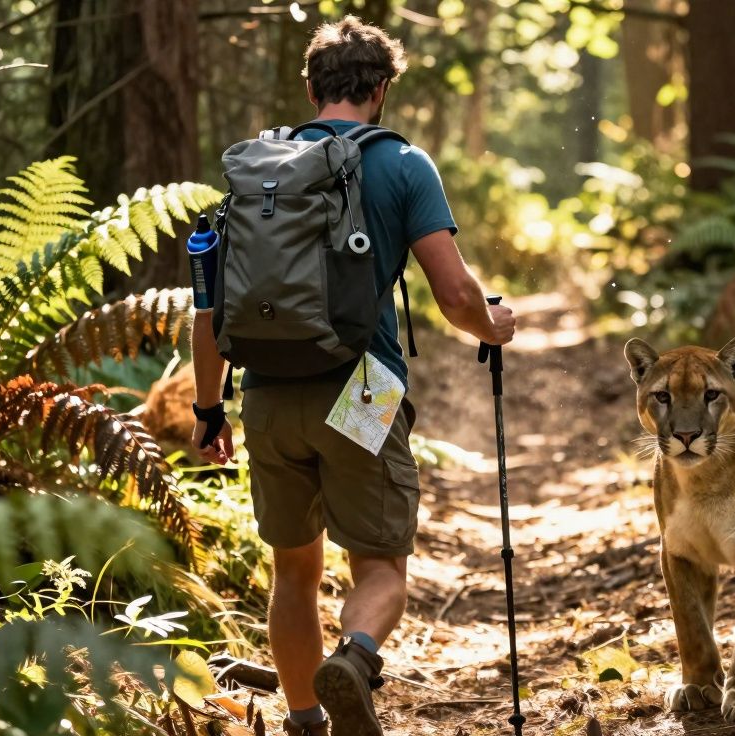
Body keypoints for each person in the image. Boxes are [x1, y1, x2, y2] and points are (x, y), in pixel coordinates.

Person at [189, 15, 517, 736]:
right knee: (380, 566)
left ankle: (305, 718)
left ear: (311, 88)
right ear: (381, 89)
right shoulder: (404, 165)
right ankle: (357, 657)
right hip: (361, 391)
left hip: (268, 396)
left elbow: (210, 310)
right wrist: (495, 325)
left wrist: (208, 411)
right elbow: (457, 297)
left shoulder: (255, 173)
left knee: (293, 573)